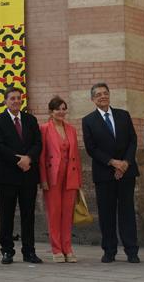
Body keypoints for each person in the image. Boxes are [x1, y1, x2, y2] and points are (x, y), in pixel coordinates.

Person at [82, 82, 140, 263]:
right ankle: (109, 250)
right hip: (104, 174)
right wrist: (112, 163)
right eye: (98, 94)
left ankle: (132, 251)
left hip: (126, 171)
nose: (102, 96)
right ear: (93, 99)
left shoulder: (123, 115)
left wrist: (125, 163)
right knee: (106, 214)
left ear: (109, 95)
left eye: (105, 93)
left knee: (127, 212)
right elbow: (91, 148)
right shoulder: (88, 120)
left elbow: (133, 140)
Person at [0, 86, 43, 264]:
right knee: (7, 215)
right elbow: (0, 146)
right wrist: (18, 160)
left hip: (28, 174)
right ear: (5, 101)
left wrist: (29, 158)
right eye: (12, 98)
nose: (16, 101)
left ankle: (29, 251)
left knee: (28, 215)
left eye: (18, 98)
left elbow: (38, 143)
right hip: (7, 176)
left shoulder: (30, 120)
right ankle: (7, 251)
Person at [39, 96, 83, 263]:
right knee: (55, 213)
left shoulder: (71, 129)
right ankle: (56, 249)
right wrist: (43, 179)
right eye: (58, 109)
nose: (61, 112)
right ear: (51, 111)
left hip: (70, 176)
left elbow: (76, 157)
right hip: (52, 177)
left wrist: (78, 179)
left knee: (67, 214)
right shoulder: (44, 129)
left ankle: (68, 248)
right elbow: (42, 157)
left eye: (64, 109)